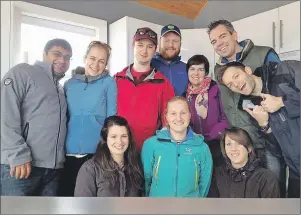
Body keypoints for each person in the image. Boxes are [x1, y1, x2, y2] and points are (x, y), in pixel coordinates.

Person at [207, 19, 286, 197]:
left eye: (222, 36)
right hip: (241, 145)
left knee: (272, 193)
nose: (219, 43)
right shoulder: (218, 69)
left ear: (234, 35)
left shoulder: (264, 54)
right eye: (213, 41)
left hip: (269, 142)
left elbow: (284, 91)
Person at [217, 60, 300, 197]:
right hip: (296, 171)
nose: (236, 84)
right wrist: (264, 124)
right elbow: (277, 151)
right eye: (230, 85)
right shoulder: (252, 108)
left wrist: (281, 102)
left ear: (248, 70)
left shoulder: (285, 70)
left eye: (236, 76)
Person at [1, 38, 72, 196]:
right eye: (57, 54)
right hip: (21, 168)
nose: (62, 60)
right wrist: (18, 154)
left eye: (67, 57)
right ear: (44, 54)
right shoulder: (23, 72)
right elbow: (4, 114)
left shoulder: (60, 88)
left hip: (53, 172)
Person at [58, 41, 117, 196]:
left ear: (106, 64)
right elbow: (63, 118)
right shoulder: (69, 84)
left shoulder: (109, 83)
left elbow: (112, 119)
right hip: (68, 153)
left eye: (101, 61)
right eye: (92, 58)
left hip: (96, 153)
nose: (96, 64)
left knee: (91, 202)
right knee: (67, 199)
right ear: (85, 57)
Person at [115, 27, 175, 152]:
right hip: (119, 150)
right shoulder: (116, 79)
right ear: (133, 46)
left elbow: (168, 121)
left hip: (148, 151)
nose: (144, 50)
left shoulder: (163, 84)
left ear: (155, 50)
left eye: (150, 46)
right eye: (140, 45)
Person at [141, 96, 213, 197]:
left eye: (183, 113)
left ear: (189, 115)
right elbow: (146, 180)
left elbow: (204, 183)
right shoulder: (151, 145)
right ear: (166, 116)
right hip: (158, 206)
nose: (178, 118)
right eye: (173, 113)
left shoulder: (202, 147)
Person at [74, 115, 144, 197]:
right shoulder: (89, 169)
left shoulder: (136, 166)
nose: (119, 141)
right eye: (113, 137)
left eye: (124, 136)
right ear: (105, 139)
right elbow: (82, 207)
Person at [210, 127, 280, 198]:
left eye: (238, 143)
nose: (233, 149)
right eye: (228, 144)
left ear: (249, 148)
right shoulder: (218, 175)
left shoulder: (266, 179)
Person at [185, 55, 229, 167]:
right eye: (192, 69)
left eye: (200, 69)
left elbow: (226, 117)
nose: (196, 73)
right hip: (195, 144)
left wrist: (211, 135)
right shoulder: (185, 95)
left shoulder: (216, 89)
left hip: (217, 142)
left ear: (206, 72)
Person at [152, 24, 188, 96]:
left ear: (180, 44)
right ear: (159, 42)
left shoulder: (187, 68)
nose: (171, 45)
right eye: (167, 40)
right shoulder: (149, 65)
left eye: (175, 41)